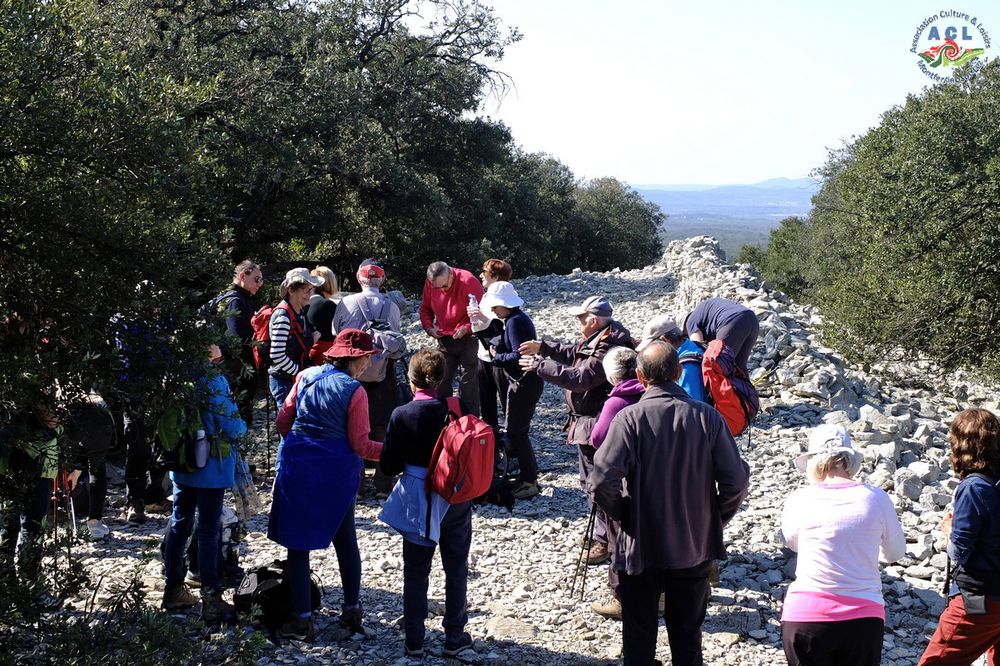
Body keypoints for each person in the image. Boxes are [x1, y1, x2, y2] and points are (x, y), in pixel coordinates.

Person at [588, 341, 750, 666]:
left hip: (640, 546)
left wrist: (623, 515)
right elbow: (736, 482)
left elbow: (601, 480)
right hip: (693, 547)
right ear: (678, 373)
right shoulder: (708, 418)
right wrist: (712, 519)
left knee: (638, 637)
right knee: (687, 637)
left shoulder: (628, 419)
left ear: (640, 377)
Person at [269, 329, 384, 641]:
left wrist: (302, 445)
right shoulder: (355, 391)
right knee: (345, 539)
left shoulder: (305, 376)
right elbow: (361, 445)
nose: (369, 364)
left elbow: (283, 421)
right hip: (336, 472)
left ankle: (302, 621)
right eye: (367, 358)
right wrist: (393, 452)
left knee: (297, 544)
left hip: (298, 467)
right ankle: (352, 611)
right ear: (354, 358)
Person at [518, 295, 634, 565]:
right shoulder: (601, 337)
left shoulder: (608, 345)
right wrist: (545, 347)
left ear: (593, 320)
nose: (578, 322)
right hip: (588, 422)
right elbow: (574, 353)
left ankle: (605, 541)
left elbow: (582, 378)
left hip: (597, 425)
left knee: (598, 482)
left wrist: (539, 365)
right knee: (591, 480)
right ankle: (603, 535)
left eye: (581, 318)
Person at [378, 349, 476, 660]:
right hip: (455, 496)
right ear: (443, 377)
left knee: (416, 572)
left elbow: (389, 466)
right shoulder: (458, 407)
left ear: (411, 381)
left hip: (418, 499)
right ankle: (455, 637)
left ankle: (414, 641)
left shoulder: (402, 414)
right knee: (456, 568)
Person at [781, 424, 905, 666]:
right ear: (850, 460)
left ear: (813, 462)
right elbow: (895, 553)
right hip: (863, 616)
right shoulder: (876, 498)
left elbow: (793, 544)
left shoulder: (799, 499)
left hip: (806, 616)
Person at [160, 344, 246, 623]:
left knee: (179, 522)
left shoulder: (174, 377)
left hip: (182, 462)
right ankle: (211, 599)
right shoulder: (213, 380)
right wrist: (243, 429)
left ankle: (173, 588)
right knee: (209, 530)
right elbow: (232, 425)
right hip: (210, 465)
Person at [918, 409, 1000, 665]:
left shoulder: (974, 487)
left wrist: (948, 531)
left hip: (981, 598)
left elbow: (960, 552)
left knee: (937, 661)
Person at [334, 259, 403, 495]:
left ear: (358, 278)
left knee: (351, 426)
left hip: (352, 372)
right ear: (381, 280)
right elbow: (396, 335)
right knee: (382, 426)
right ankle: (383, 483)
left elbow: (337, 332)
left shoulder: (346, 303)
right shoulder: (392, 306)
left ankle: (358, 483)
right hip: (383, 373)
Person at [589, 346, 644, 620]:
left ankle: (621, 598)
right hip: (651, 475)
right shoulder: (649, 392)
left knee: (618, 539)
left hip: (623, 476)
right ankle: (658, 595)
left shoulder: (617, 401)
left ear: (612, 377)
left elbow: (598, 438)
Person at [483, 281, 544, 500]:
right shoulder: (515, 319)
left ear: (505, 304)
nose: (492, 310)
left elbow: (520, 355)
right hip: (525, 382)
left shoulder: (515, 322)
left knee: (517, 432)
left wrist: (496, 357)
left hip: (525, 383)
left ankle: (530, 481)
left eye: (495, 306)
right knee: (517, 431)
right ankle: (528, 477)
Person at [418, 262, 484, 413]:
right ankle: (444, 419)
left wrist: (467, 328)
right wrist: (429, 328)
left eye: (444, 286)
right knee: (440, 380)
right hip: (445, 339)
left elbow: (483, 311)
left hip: (469, 338)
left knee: (469, 385)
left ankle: (470, 420)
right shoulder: (431, 283)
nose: (442, 290)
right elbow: (425, 309)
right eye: (437, 288)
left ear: (450, 274)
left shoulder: (468, 281)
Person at [211, 260, 264, 427]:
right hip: (234, 369)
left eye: (261, 280)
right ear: (242, 276)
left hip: (228, 366)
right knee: (238, 415)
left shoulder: (232, 297)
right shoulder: (235, 300)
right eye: (257, 279)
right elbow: (237, 338)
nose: (260, 284)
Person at [268, 268, 323, 411]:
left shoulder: (297, 311)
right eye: (306, 290)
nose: (310, 295)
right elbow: (276, 354)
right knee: (288, 421)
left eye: (311, 290)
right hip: (284, 381)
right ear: (291, 290)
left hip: (290, 379)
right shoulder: (283, 316)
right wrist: (298, 372)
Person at [468, 259, 513, 430]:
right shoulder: (486, 296)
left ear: (495, 276)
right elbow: (482, 325)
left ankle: (512, 436)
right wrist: (474, 318)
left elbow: (500, 327)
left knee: (506, 398)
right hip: (483, 354)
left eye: (484, 272)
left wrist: (480, 316)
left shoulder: (505, 298)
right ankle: (490, 436)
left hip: (499, 356)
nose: (481, 275)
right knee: (486, 398)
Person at [66, 390, 115, 540]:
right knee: (97, 469)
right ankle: (94, 523)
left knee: (79, 469)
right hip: (99, 425)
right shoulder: (95, 397)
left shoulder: (60, 390)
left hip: (72, 424)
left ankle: (70, 524)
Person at [636, 314, 706, 402]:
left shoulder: (687, 367)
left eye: (651, 345)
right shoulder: (693, 346)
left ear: (664, 340)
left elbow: (693, 405)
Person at [683, 297, 759, 377]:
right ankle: (747, 385)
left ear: (684, 328)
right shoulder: (703, 313)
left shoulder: (690, 322)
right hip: (751, 319)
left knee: (717, 366)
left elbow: (698, 349)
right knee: (739, 366)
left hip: (732, 321)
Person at [306, 266, 339, 364]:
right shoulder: (328, 305)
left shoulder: (305, 302)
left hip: (305, 356)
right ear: (330, 283)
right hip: (323, 358)